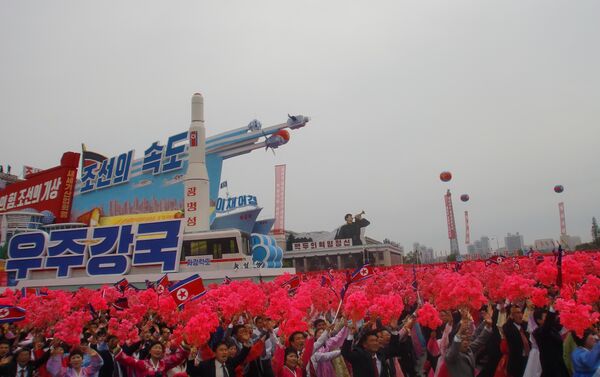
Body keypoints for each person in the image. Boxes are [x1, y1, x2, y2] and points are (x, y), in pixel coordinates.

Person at [444, 308, 493, 377]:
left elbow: (479, 338)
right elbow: (453, 350)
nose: (466, 342)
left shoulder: (469, 349)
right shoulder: (451, 356)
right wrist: (460, 332)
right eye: (463, 339)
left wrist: (487, 325)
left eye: (467, 339)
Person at [115, 340, 188, 377]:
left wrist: (186, 343)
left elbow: (176, 358)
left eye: (160, 348)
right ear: (150, 351)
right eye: (156, 348)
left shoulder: (164, 363)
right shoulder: (143, 363)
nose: (158, 350)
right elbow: (129, 361)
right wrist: (117, 350)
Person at [533, 310, 569, 377]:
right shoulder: (538, 332)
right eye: (545, 317)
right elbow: (547, 325)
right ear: (539, 320)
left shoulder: (553, 329)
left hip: (559, 365)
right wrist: (552, 310)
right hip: (550, 367)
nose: (547, 319)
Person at [186, 340, 250, 377]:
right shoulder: (206, 365)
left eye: (226, 350)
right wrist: (191, 357)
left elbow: (241, 357)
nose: (224, 352)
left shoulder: (230, 362)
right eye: (221, 350)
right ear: (215, 353)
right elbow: (191, 372)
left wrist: (246, 341)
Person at [503, 305, 530, 377]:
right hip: (516, 363)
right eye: (517, 313)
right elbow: (506, 327)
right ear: (512, 316)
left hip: (527, 360)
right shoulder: (509, 328)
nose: (520, 315)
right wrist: (510, 318)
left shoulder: (524, 326)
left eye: (520, 312)